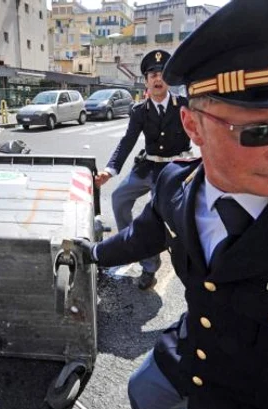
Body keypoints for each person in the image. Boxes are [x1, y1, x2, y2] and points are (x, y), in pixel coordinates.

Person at [74, 0, 268, 409]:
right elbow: (143, 234)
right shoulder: (176, 185)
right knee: (143, 389)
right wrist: (90, 253)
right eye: (259, 132)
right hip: (191, 355)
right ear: (193, 127)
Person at [95, 50, 193, 290]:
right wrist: (110, 169)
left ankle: (170, 270)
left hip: (174, 168)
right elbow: (127, 141)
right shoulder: (139, 111)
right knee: (119, 198)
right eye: (152, 75)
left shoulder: (183, 105)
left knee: (169, 217)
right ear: (146, 81)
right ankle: (140, 254)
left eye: (161, 74)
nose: (157, 79)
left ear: (168, 78)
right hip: (147, 166)